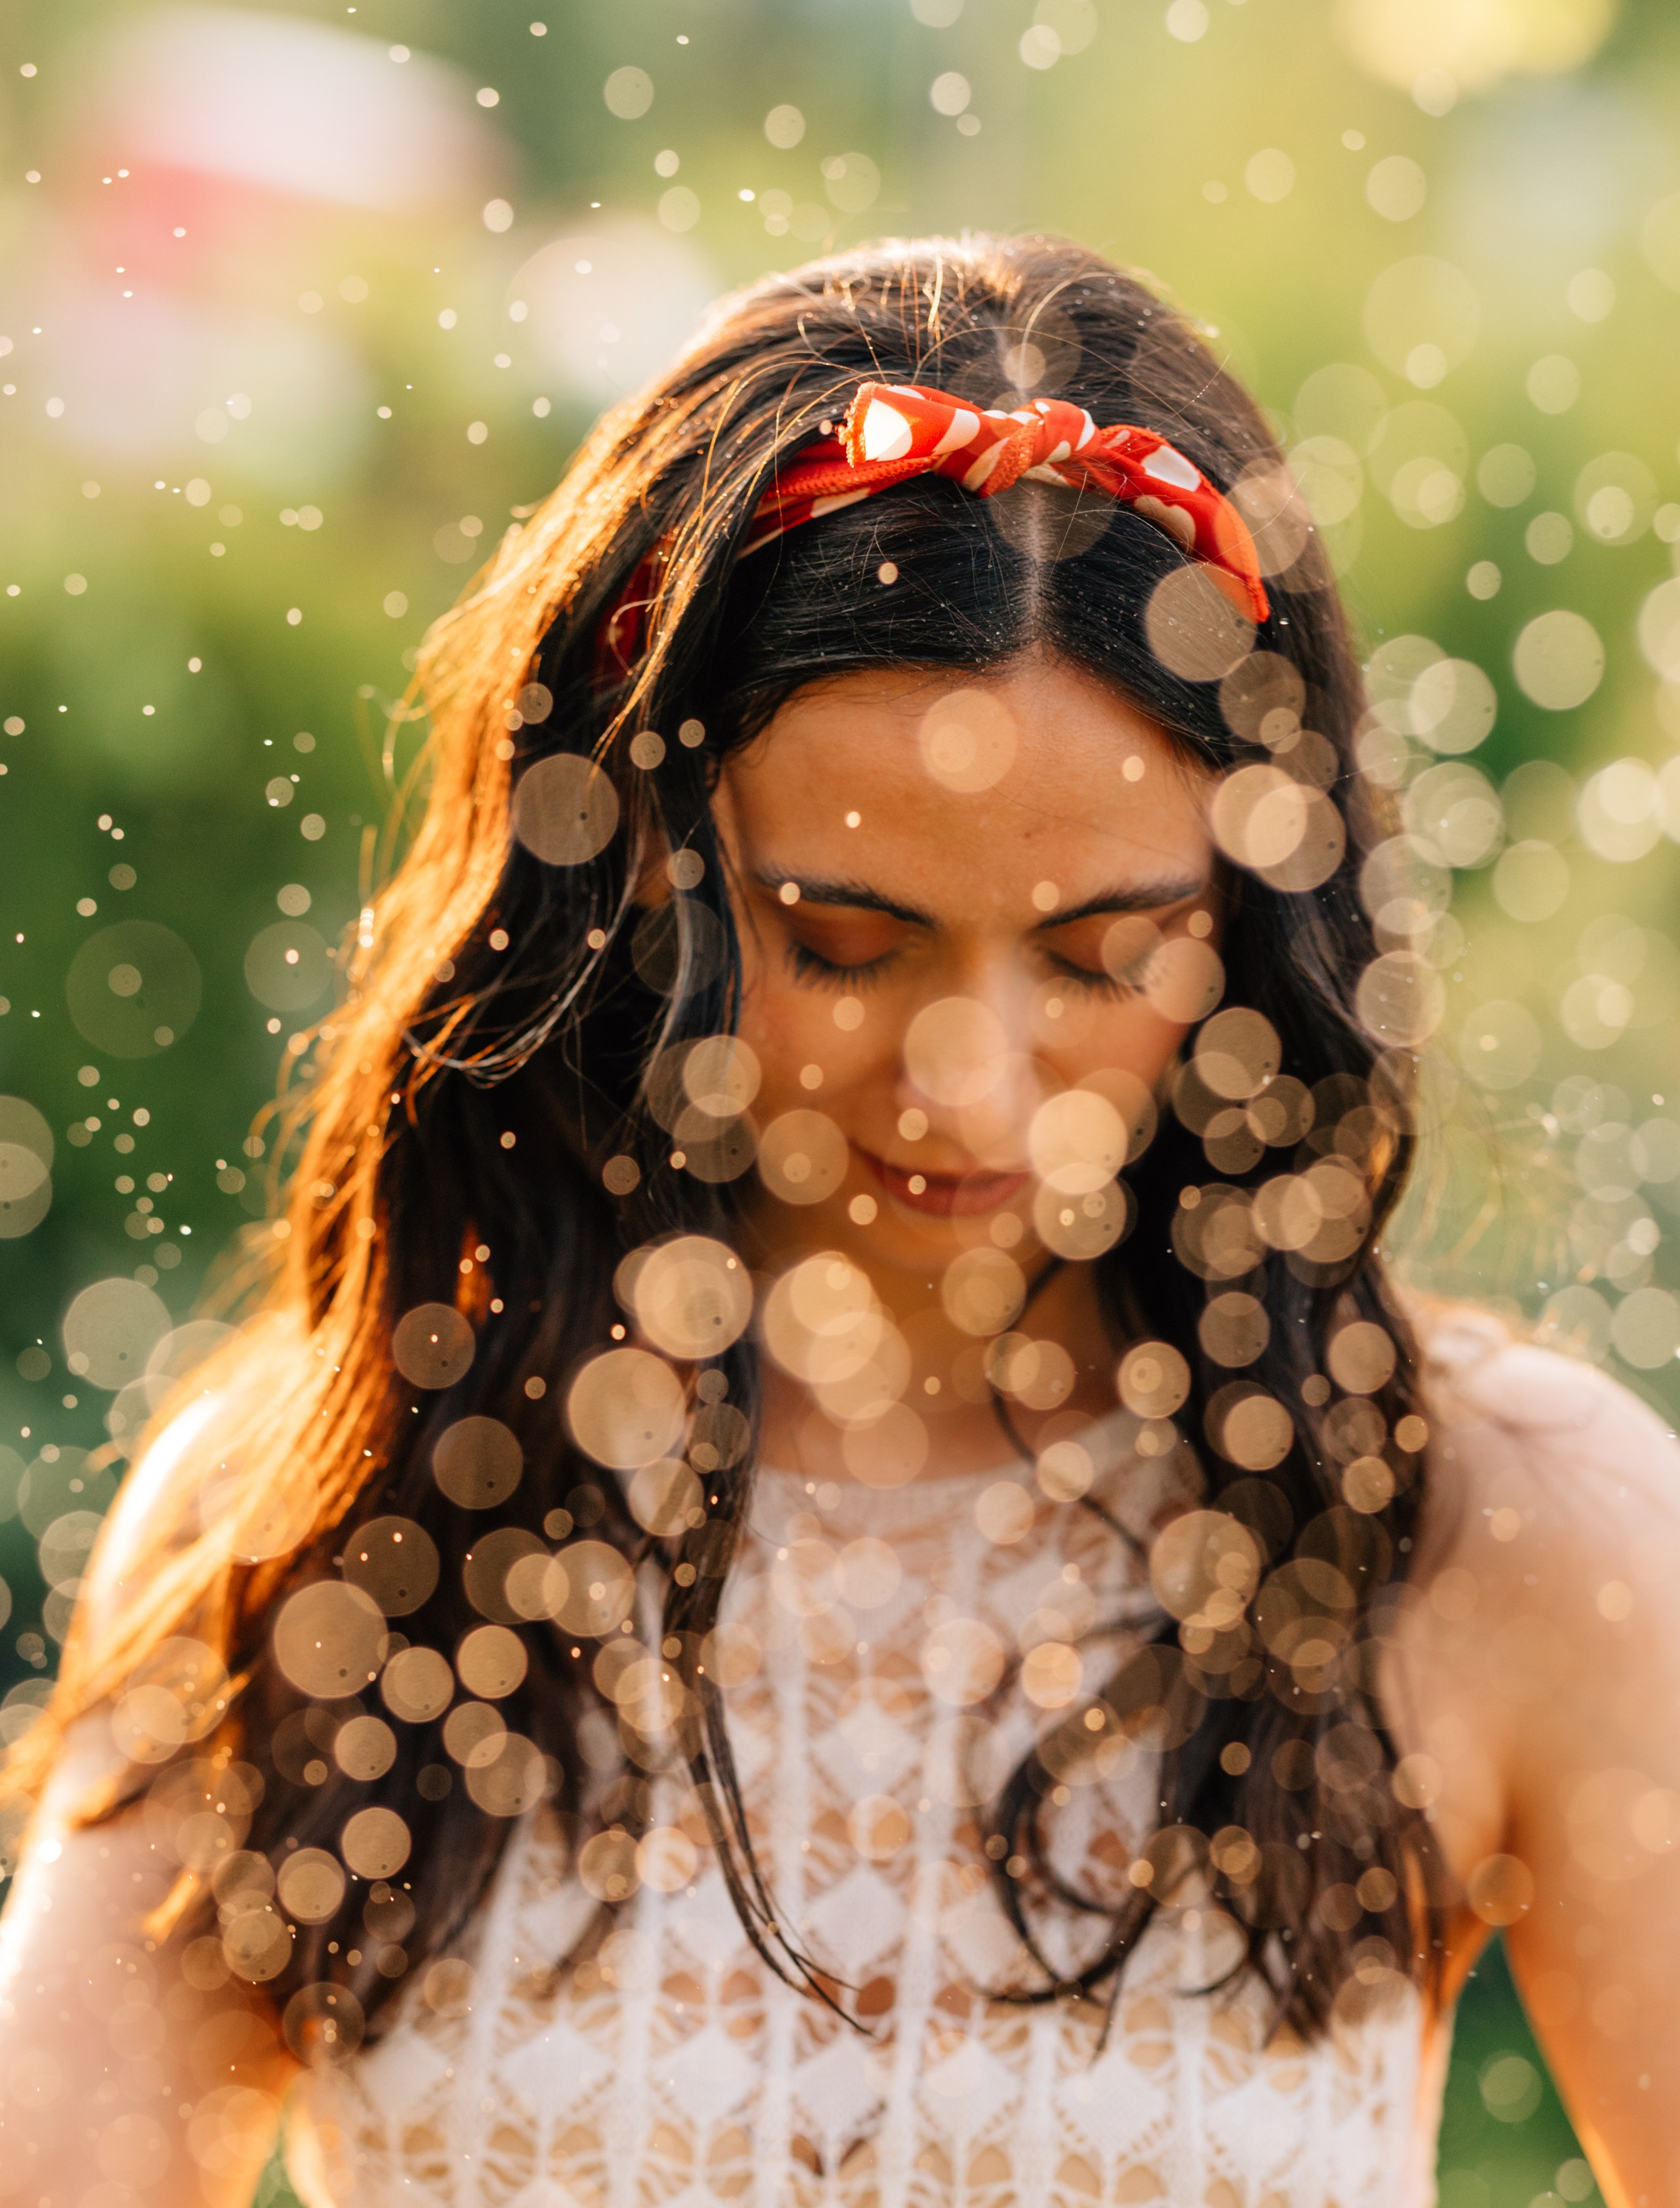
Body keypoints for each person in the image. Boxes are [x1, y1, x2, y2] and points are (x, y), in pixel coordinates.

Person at [1, 233, 1676, 2208]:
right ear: (633, 884)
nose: (969, 1089)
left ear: (1255, 926)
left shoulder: (1504, 1530)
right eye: (842, 942)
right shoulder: (331, 1517)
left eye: (1102, 955)